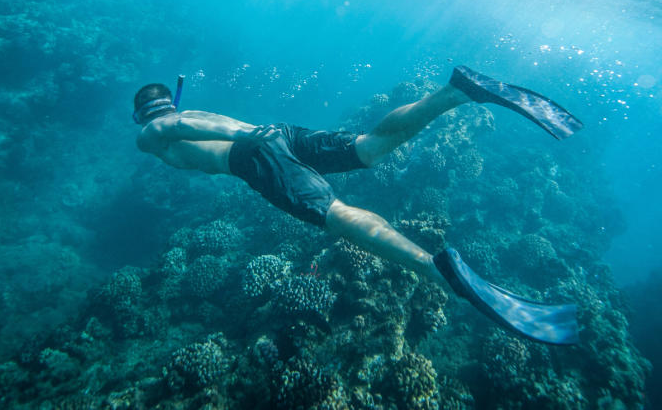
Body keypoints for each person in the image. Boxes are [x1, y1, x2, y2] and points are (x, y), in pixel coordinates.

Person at [134, 65, 583, 345]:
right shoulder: (183, 117)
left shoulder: (151, 132)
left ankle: (434, 267)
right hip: (280, 132)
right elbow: (191, 118)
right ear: (170, 99)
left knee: (337, 216)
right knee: (370, 147)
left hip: (252, 155)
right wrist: (250, 132)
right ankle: (459, 91)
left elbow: (176, 124)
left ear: (143, 113)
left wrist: (240, 137)